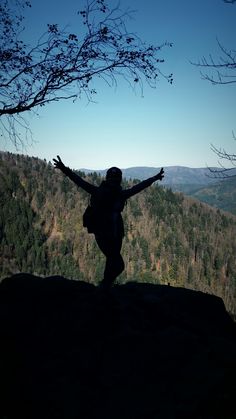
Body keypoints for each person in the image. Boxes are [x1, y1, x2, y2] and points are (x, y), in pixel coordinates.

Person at [53, 155, 164, 289]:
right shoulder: (120, 194)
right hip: (114, 233)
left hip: (102, 233)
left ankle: (105, 286)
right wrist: (155, 178)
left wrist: (64, 168)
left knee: (112, 261)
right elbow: (139, 187)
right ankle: (105, 286)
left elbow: (79, 181)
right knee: (117, 263)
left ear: (107, 178)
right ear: (119, 180)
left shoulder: (98, 191)